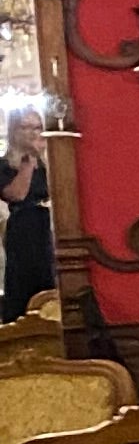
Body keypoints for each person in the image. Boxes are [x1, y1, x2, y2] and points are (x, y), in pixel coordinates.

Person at [0, 123, 53, 324]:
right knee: (24, 280)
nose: (33, 133)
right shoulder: (5, 165)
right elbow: (17, 194)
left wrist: (44, 156)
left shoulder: (50, 161)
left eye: (37, 127)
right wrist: (28, 162)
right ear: (15, 131)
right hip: (24, 225)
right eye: (26, 127)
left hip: (47, 222)